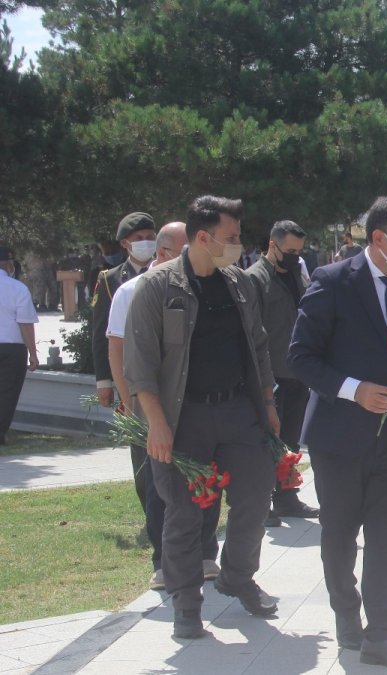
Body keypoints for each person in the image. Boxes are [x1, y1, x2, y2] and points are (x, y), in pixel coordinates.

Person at [288, 196, 387, 672]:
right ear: (379, 238)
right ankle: (346, 614)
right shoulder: (332, 282)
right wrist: (354, 390)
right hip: (340, 437)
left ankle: (382, 635)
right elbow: (300, 357)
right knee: (340, 535)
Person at [125, 196, 280, 640]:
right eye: (231, 237)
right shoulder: (156, 287)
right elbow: (140, 364)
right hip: (182, 417)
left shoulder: (238, 283)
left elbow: (259, 346)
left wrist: (268, 405)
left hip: (238, 411)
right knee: (185, 512)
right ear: (202, 238)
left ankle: (237, 577)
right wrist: (156, 424)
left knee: (256, 496)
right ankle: (187, 604)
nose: (237, 244)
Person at [107, 222, 222, 591]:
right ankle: (163, 560)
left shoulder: (206, 285)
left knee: (204, 477)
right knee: (158, 487)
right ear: (163, 253)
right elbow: (118, 350)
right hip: (151, 408)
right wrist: (131, 405)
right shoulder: (131, 291)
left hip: (197, 407)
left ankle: (205, 552)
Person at [245, 220, 320, 525]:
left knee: (289, 441)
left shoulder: (295, 275)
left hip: (297, 372)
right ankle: (261, 504)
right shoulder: (254, 279)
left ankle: (287, 498)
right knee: (266, 442)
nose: (295, 257)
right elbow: (251, 331)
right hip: (270, 375)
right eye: (290, 251)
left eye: (299, 252)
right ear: (272, 245)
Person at [93, 212, 158, 408]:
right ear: (124, 243)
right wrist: (104, 381)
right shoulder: (109, 279)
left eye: (150, 237)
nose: (145, 242)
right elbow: (101, 332)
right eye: (138, 238)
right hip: (126, 369)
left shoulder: (166, 273)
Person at [0, 246, 38, 446]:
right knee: (7, 393)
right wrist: (33, 353)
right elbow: (25, 323)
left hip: (11, 348)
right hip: (12, 347)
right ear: (8, 264)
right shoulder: (18, 288)